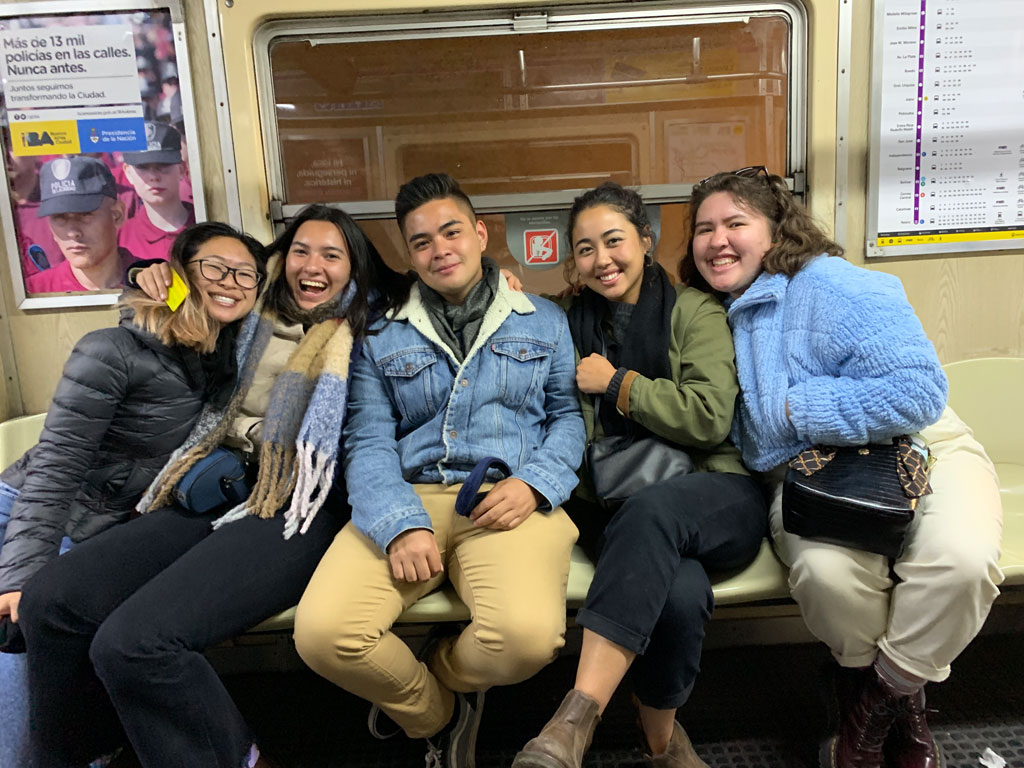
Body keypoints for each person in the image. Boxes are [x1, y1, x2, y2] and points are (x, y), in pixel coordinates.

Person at [17, 203, 411, 768]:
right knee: (51, 603)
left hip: (300, 504)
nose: (313, 265)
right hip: (213, 482)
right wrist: (147, 274)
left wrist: (497, 279)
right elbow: (171, 314)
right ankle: (91, 751)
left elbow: (444, 295)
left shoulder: (377, 326)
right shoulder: (250, 317)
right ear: (280, 259)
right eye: (300, 250)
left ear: (357, 268)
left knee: (134, 643)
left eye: (333, 254)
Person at [682, 167, 1003, 768]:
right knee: (828, 578)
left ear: (776, 230)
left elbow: (915, 392)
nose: (717, 240)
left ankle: (879, 707)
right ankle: (879, 694)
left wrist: (791, 407)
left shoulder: (830, 284)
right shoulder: (707, 312)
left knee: (960, 563)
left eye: (735, 223)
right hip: (807, 474)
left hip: (920, 448)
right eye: (703, 229)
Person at [293, 173, 585, 768]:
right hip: (410, 495)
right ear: (409, 254)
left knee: (526, 643)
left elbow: (568, 419)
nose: (439, 249)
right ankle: (441, 714)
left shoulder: (545, 320)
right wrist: (398, 522)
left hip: (508, 497)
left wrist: (537, 484)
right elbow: (367, 438)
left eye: (451, 232)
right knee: (323, 636)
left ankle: (443, 670)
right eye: (421, 242)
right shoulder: (380, 332)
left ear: (481, 234)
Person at [511, 182, 766, 768]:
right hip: (611, 506)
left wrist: (618, 384)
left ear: (646, 242)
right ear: (572, 261)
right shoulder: (563, 322)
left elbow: (708, 418)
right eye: (585, 248)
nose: (602, 260)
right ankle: (664, 746)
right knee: (678, 596)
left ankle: (574, 719)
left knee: (651, 511)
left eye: (614, 241)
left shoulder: (695, 311)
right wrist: (502, 292)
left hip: (713, 492)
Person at [0, 220, 264, 765]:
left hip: (100, 531)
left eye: (246, 274)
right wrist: (22, 574)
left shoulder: (223, 359)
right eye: (214, 267)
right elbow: (55, 469)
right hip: (33, 518)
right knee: (19, 689)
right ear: (179, 276)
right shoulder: (112, 350)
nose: (231, 282)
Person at [26, 156, 135, 294]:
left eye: (84, 214)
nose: (73, 232)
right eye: (59, 218)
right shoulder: (32, 292)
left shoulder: (154, 283)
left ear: (117, 215)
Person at [118, 122, 195, 261]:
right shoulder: (120, 238)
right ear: (128, 172)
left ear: (182, 169)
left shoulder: (205, 223)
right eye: (143, 167)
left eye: (163, 165)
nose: (153, 177)